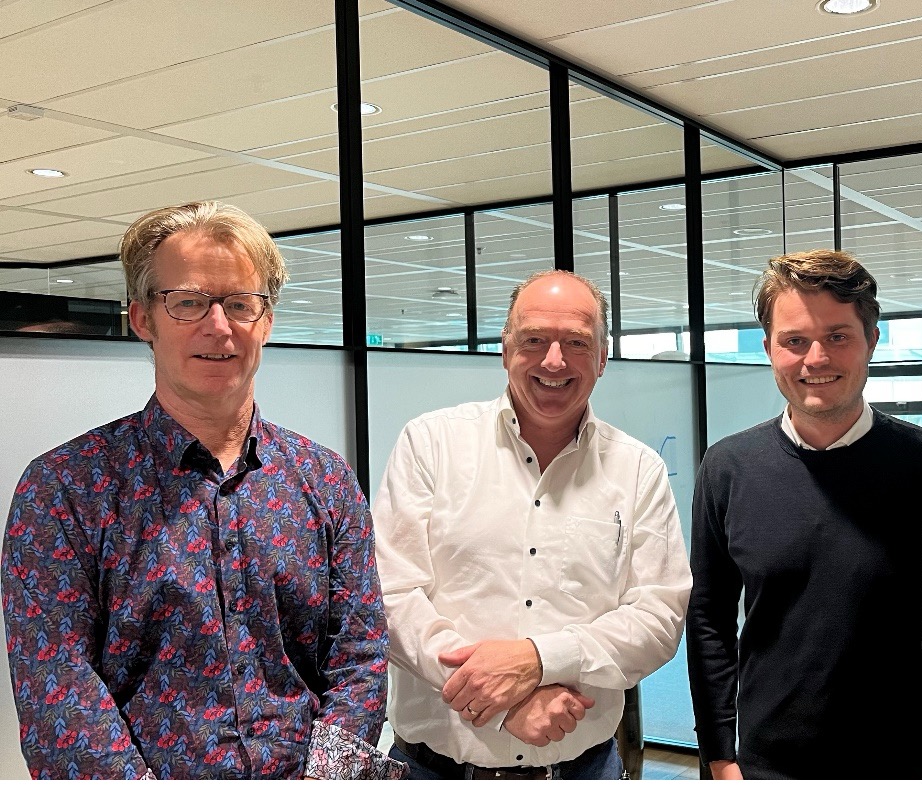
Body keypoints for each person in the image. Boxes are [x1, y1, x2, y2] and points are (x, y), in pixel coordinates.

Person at [2, 201, 400, 779]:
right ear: (143, 319)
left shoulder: (325, 480)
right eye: (188, 302)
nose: (218, 326)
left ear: (266, 322)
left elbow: (360, 656)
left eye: (240, 303)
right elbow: (57, 690)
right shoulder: (65, 488)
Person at [373, 270, 692, 779]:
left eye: (577, 342)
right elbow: (392, 595)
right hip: (434, 768)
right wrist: (498, 698)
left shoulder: (637, 470)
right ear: (505, 350)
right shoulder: (430, 444)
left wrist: (541, 660)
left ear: (603, 357)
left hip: (582, 769)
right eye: (534, 340)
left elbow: (659, 616)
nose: (554, 360)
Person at [686, 250, 922, 779]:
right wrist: (719, 754)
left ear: (872, 341)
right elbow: (708, 617)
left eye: (838, 336)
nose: (816, 358)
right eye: (794, 341)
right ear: (769, 348)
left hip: (907, 763)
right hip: (766, 765)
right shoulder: (728, 467)